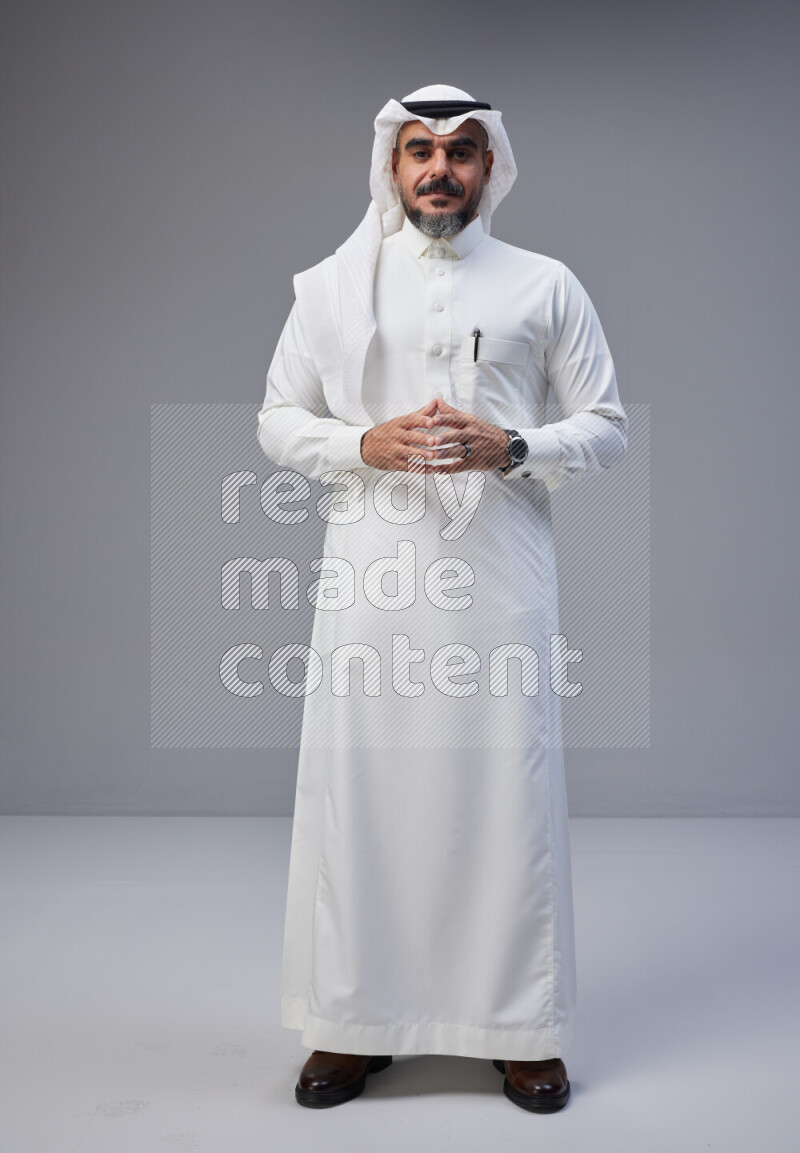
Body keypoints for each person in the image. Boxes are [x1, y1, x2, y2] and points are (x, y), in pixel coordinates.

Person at [257, 83, 628, 1112]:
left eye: (460, 151)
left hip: (498, 582)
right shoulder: (336, 288)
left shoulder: (542, 284)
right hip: (371, 578)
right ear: (389, 165)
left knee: (501, 793)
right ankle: (351, 1023)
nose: (438, 169)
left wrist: (514, 445)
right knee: (365, 793)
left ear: (489, 167)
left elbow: (603, 423)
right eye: (418, 149)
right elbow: (277, 419)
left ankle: (519, 1027)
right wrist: (359, 442)